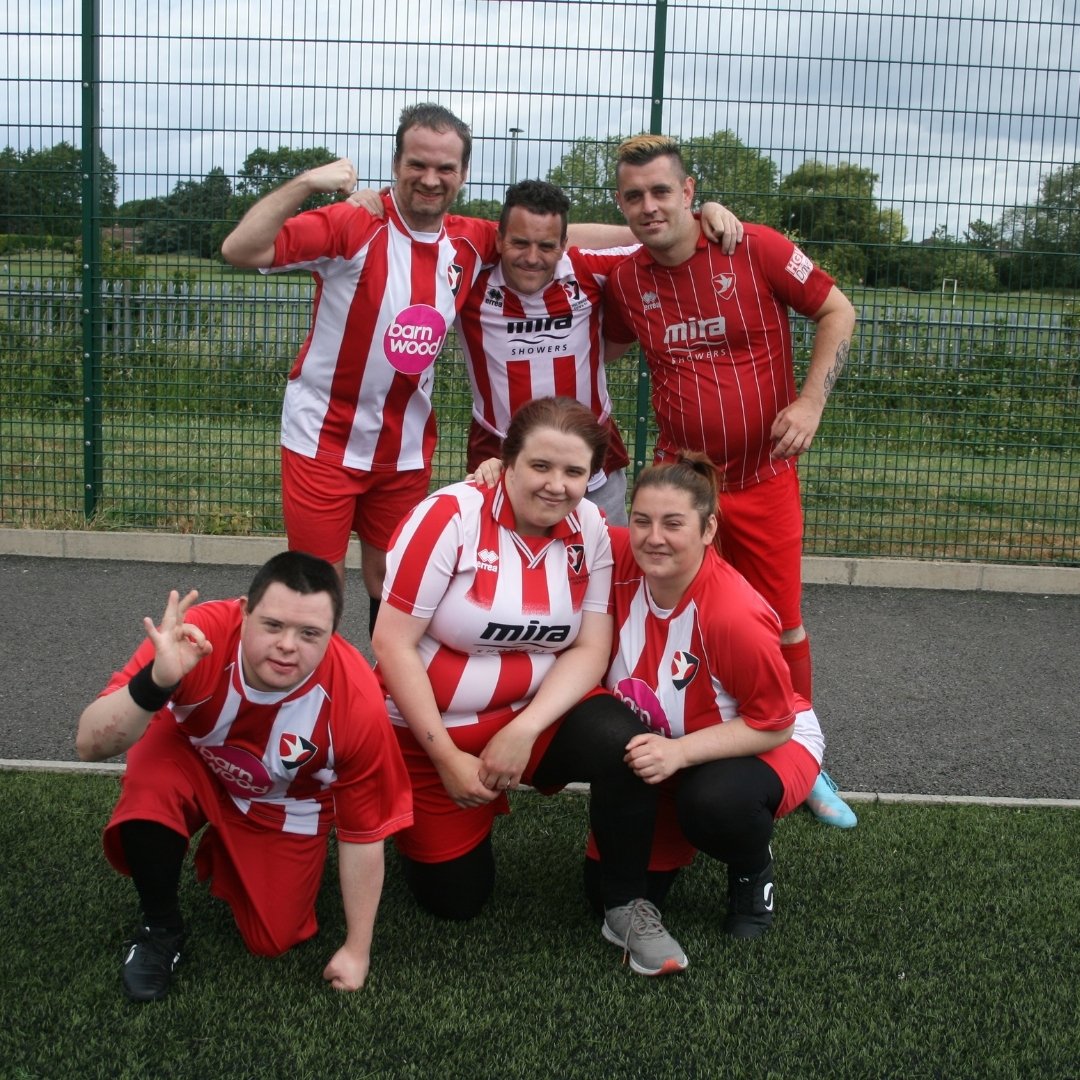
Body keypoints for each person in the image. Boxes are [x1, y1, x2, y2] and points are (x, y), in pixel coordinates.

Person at [222, 105, 663, 635]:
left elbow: (552, 235)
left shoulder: (471, 240)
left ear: (463, 173)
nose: (431, 179)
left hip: (403, 444)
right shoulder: (353, 223)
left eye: (445, 168)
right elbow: (239, 249)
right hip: (323, 436)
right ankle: (322, 681)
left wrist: (663, 223)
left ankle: (383, 680)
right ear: (396, 164)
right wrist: (307, 182)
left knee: (392, 574)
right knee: (318, 583)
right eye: (418, 164)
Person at [371, 396, 688, 976]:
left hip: (537, 721)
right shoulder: (448, 517)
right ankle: (412, 813)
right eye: (541, 466)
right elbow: (391, 644)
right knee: (455, 902)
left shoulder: (590, 527)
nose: (556, 485)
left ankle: (624, 903)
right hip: (435, 735)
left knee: (628, 744)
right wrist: (446, 758)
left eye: (573, 471)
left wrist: (525, 729)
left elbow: (591, 648)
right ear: (507, 461)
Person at [603, 133, 858, 828]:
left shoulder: (754, 247)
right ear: (620, 204)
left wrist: (810, 403)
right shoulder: (625, 281)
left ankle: (803, 753)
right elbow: (603, 337)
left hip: (764, 475)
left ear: (690, 192)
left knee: (782, 622)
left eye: (662, 191)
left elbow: (838, 310)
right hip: (684, 489)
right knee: (681, 617)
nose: (649, 207)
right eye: (633, 196)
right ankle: (692, 740)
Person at [76, 551, 413, 1002]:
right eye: (273, 625)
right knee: (150, 786)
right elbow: (89, 744)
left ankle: (229, 845)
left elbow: (363, 832)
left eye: (309, 633)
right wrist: (156, 682)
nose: (287, 645)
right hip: (195, 757)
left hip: (284, 799)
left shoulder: (356, 700)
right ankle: (160, 929)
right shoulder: (200, 635)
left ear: (333, 634)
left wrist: (357, 950)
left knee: (273, 938)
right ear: (244, 612)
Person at [592, 453, 826, 939]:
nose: (653, 537)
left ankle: (751, 867)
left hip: (765, 742)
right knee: (602, 897)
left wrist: (679, 753)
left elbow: (774, 723)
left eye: (673, 523)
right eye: (642, 521)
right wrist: (492, 480)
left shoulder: (733, 614)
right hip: (669, 748)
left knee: (715, 805)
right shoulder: (616, 558)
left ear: (708, 528)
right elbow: (557, 512)